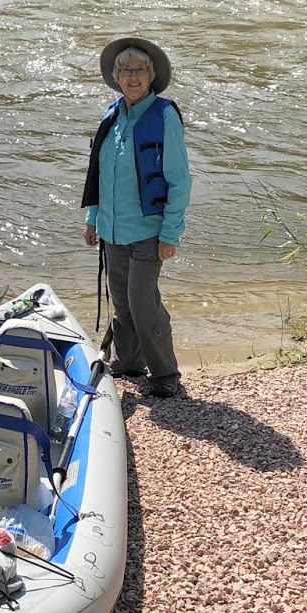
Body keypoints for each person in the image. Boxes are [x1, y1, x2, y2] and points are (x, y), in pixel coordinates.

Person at [79, 36, 192, 399]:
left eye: (139, 70)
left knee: (143, 303)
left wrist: (171, 234)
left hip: (148, 230)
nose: (132, 77)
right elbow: (99, 173)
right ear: (115, 76)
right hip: (112, 229)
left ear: (151, 75)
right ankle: (128, 361)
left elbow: (180, 179)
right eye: (125, 70)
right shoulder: (111, 115)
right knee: (123, 300)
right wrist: (93, 217)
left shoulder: (164, 116)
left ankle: (165, 372)